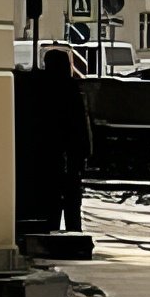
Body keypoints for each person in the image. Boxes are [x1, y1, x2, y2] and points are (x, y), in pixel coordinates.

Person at [41, 44, 92, 232]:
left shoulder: (42, 88)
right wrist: (85, 152)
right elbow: (80, 123)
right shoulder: (72, 89)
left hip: (47, 151)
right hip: (71, 152)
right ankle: (73, 234)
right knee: (72, 200)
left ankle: (49, 230)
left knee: (50, 198)